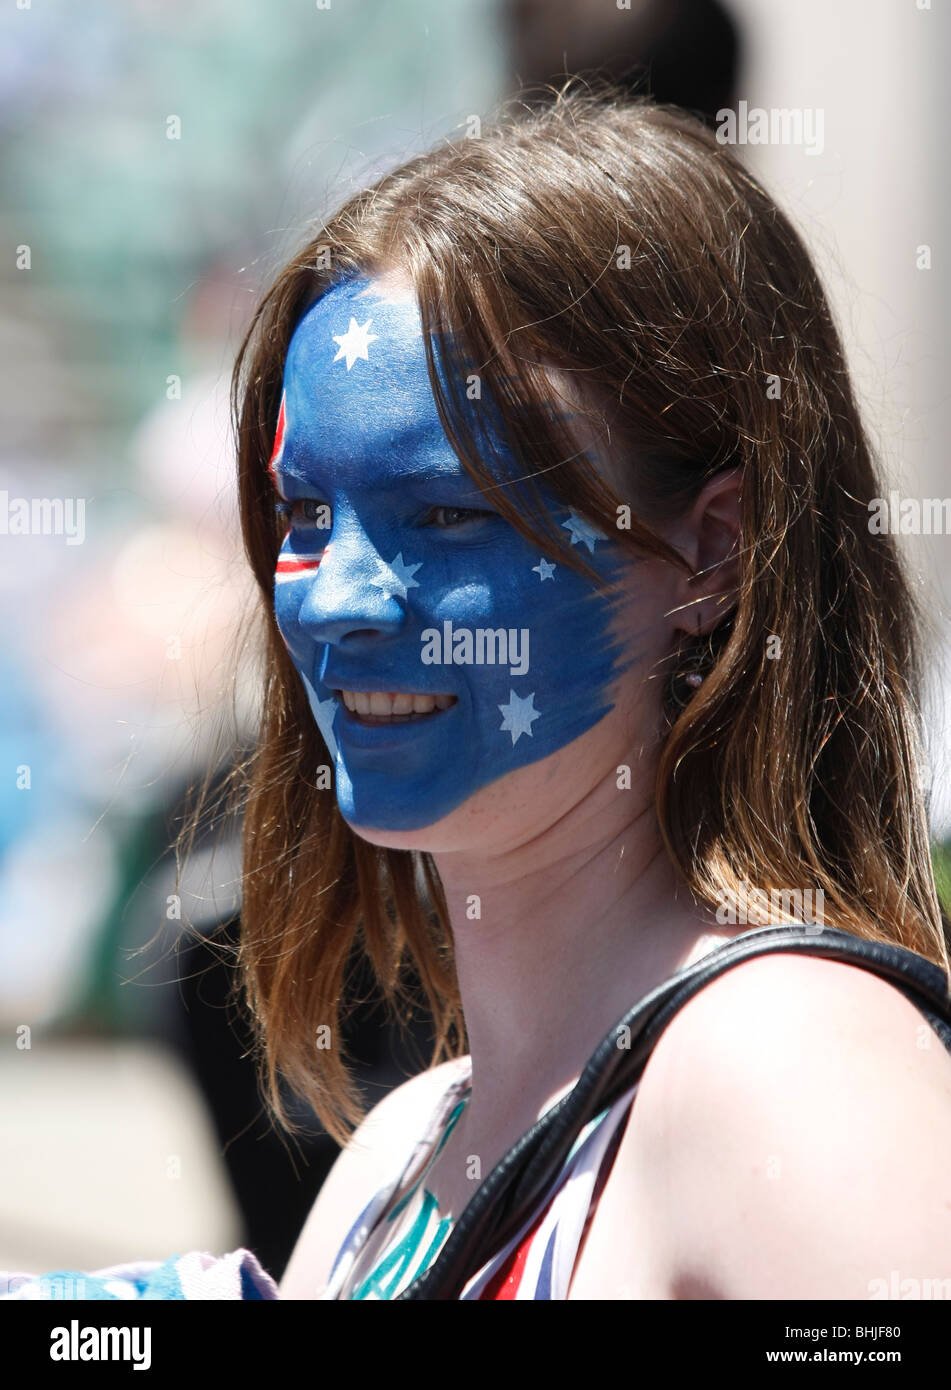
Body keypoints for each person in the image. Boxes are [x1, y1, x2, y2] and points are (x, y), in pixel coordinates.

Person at [5, 79, 951, 1302]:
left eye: (447, 516)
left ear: (711, 554)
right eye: (304, 515)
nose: (337, 597)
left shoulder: (782, 1061)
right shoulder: (401, 1153)